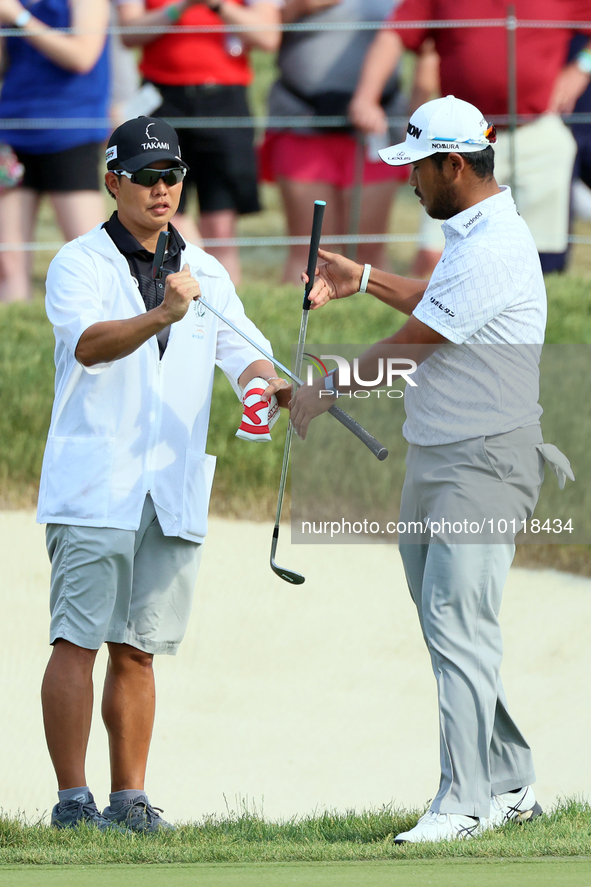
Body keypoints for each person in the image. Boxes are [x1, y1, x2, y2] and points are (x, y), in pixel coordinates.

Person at [289, 95, 574, 843]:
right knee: (454, 626)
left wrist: (325, 392)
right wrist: (367, 277)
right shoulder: (475, 235)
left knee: (455, 622)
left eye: (417, 168)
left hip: (482, 462)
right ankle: (509, 782)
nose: (409, 182)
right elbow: (442, 303)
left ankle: (462, 802)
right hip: (442, 455)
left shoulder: (491, 244)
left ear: (452, 164)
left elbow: (416, 341)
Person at [37, 115, 289, 831]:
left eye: (172, 175)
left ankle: (130, 799)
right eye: (146, 176)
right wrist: (162, 314)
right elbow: (88, 345)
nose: (161, 188)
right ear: (112, 180)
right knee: (75, 640)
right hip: (94, 483)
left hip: (168, 486)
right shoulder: (78, 262)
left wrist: (266, 387)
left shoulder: (205, 269)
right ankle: (72, 801)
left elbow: (248, 353)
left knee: (138, 649)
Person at [348, 0, 591, 276]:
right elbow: (394, 34)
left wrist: (581, 68)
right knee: (435, 256)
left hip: (537, 131)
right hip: (460, 139)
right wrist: (366, 96)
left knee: (539, 258)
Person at [260, 0, 438, 284]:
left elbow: (428, 46)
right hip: (301, 121)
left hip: (376, 126)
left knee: (368, 252)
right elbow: (259, 34)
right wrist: (300, 7)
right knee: (310, 252)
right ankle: (299, 324)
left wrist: (415, 114)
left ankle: (376, 322)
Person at [117, 0, 282, 285]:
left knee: (221, 223)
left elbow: (268, 37)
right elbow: (129, 34)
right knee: (165, 210)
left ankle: (223, 304)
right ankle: (186, 291)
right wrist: (181, 7)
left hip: (224, 99)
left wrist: (218, 6)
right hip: (163, 99)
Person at [0, 0, 110, 303]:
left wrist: (18, 17)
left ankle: (100, 338)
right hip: (11, 130)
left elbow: (82, 56)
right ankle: (15, 338)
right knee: (8, 264)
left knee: (91, 259)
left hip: (70, 131)